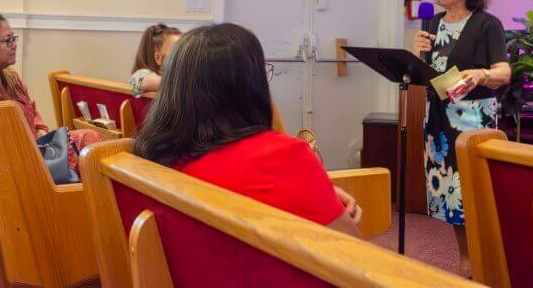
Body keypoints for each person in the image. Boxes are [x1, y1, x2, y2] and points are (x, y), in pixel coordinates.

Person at [134, 23, 362, 236]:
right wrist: (320, 192)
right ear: (249, 86)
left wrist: (320, 194)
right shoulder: (286, 156)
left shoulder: (156, 153)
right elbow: (349, 245)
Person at [412, 0, 510, 276]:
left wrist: (482, 74)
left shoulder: (487, 24)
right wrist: (416, 55)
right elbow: (424, 74)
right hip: (439, 123)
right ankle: (466, 259)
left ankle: (487, 260)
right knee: (450, 197)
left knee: (473, 194)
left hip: (472, 122)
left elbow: (504, 72)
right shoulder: (433, 24)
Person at [0, 11, 100, 171]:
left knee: (91, 139)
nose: (14, 45)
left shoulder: (10, 77)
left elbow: (32, 110)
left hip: (33, 148)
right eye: (7, 40)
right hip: (19, 167)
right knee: (91, 150)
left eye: (14, 39)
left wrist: (40, 130)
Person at [130, 23, 181, 97]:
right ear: (158, 58)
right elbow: (138, 81)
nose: (184, 54)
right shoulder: (140, 75)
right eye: (177, 51)